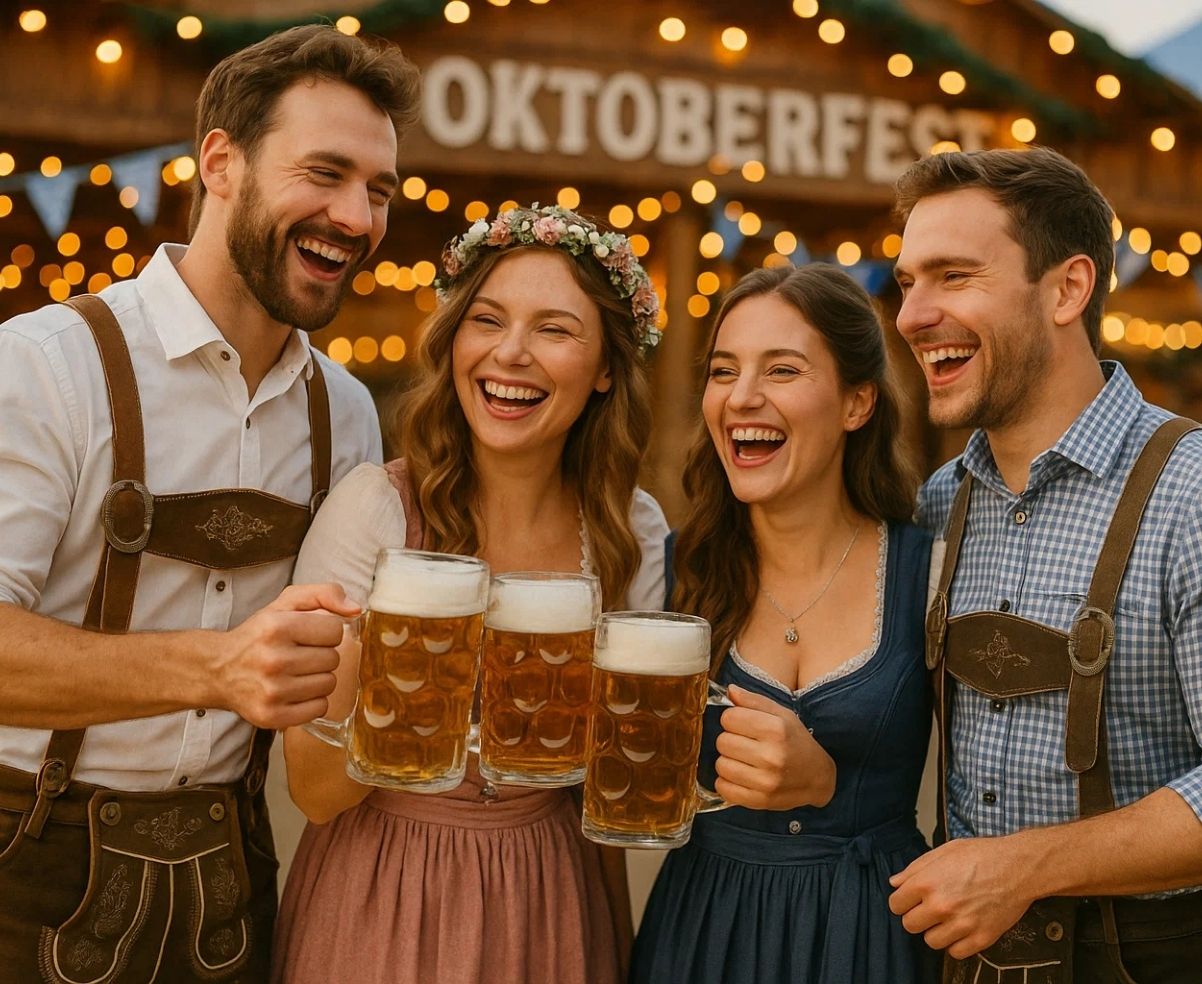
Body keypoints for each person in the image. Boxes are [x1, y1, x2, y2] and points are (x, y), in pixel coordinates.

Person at [0, 25, 419, 982]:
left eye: (379, 191)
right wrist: (218, 668)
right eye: (325, 173)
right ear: (221, 162)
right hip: (26, 862)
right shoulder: (45, 366)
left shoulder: (345, 414)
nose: (356, 218)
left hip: (231, 887)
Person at [271, 203, 670, 984]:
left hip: (554, 889)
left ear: (607, 369)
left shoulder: (631, 531)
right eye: (486, 320)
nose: (510, 354)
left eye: (554, 330)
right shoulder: (374, 509)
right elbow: (314, 792)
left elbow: (623, 803)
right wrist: (412, 680)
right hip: (385, 889)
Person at [888, 146, 1202, 982]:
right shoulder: (938, 501)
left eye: (953, 276)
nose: (913, 315)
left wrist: (1018, 867)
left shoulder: (1190, 494)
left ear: (1067, 289)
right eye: (908, 281)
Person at [631, 264, 939, 984]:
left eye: (782, 370)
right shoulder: (671, 571)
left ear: (857, 402)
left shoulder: (930, 569)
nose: (742, 398)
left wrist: (833, 784)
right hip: (705, 931)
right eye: (723, 371)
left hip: (866, 934)